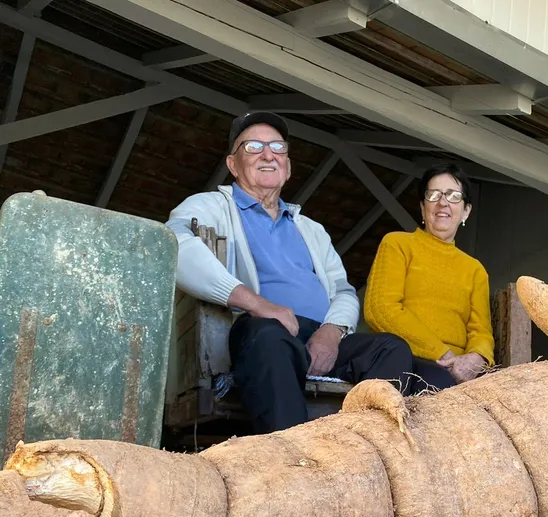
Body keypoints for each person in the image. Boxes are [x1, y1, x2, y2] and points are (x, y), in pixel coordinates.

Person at [167, 111, 419, 434]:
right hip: (259, 329)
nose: (268, 154)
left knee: (392, 349)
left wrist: (332, 331)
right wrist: (258, 304)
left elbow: (343, 290)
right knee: (270, 338)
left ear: (287, 168)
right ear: (233, 164)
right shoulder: (213, 206)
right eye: (254, 146)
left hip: (318, 335)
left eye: (278, 147)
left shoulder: (310, 228)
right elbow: (174, 244)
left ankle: (365, 447)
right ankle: (296, 463)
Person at [364, 164, 494, 390]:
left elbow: (480, 332)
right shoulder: (398, 244)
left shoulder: (475, 270)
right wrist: (442, 353)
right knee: (434, 384)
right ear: (423, 208)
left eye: (453, 196)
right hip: (405, 358)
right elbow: (381, 309)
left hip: (457, 371)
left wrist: (476, 358)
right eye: (434, 195)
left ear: (466, 211)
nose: (443, 202)